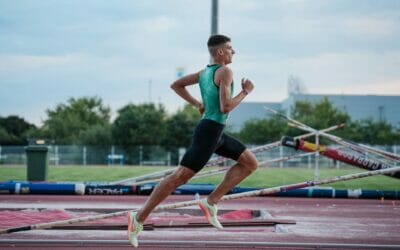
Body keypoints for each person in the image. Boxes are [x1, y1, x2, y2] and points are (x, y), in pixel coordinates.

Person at [128, 34, 258, 247]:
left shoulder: (204, 73)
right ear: (220, 52)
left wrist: (198, 104)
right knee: (178, 177)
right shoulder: (225, 71)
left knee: (250, 163)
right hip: (209, 132)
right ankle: (138, 218)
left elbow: (176, 85)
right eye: (230, 48)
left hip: (216, 132)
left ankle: (211, 201)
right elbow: (225, 107)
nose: (234, 52)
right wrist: (245, 91)